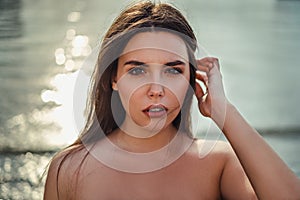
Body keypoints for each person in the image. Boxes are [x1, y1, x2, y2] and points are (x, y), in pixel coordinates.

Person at [44, 1, 300, 199]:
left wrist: (224, 111)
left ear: (191, 79)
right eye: (137, 70)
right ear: (113, 78)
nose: (156, 89)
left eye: (173, 70)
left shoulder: (218, 165)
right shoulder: (68, 169)